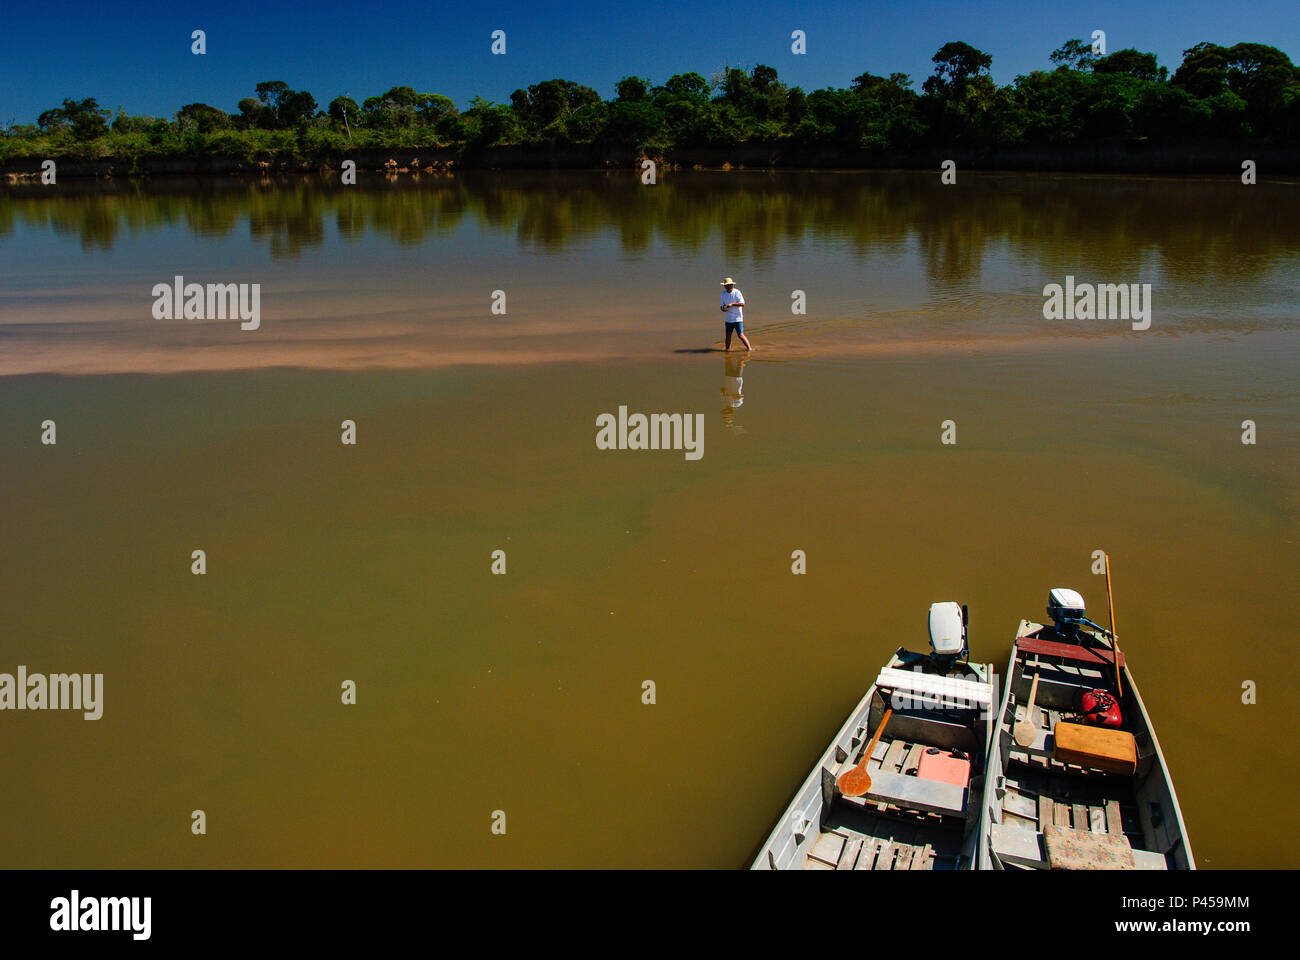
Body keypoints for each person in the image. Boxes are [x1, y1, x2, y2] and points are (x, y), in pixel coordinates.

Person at [718, 277, 752, 352]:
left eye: (729, 285)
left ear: (732, 285)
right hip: (728, 319)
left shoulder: (737, 292)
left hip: (737, 318)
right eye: (726, 285)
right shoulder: (723, 294)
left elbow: (742, 304)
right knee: (728, 336)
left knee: (740, 335)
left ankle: (749, 349)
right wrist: (723, 309)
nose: (727, 287)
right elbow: (721, 306)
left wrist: (732, 304)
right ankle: (727, 350)